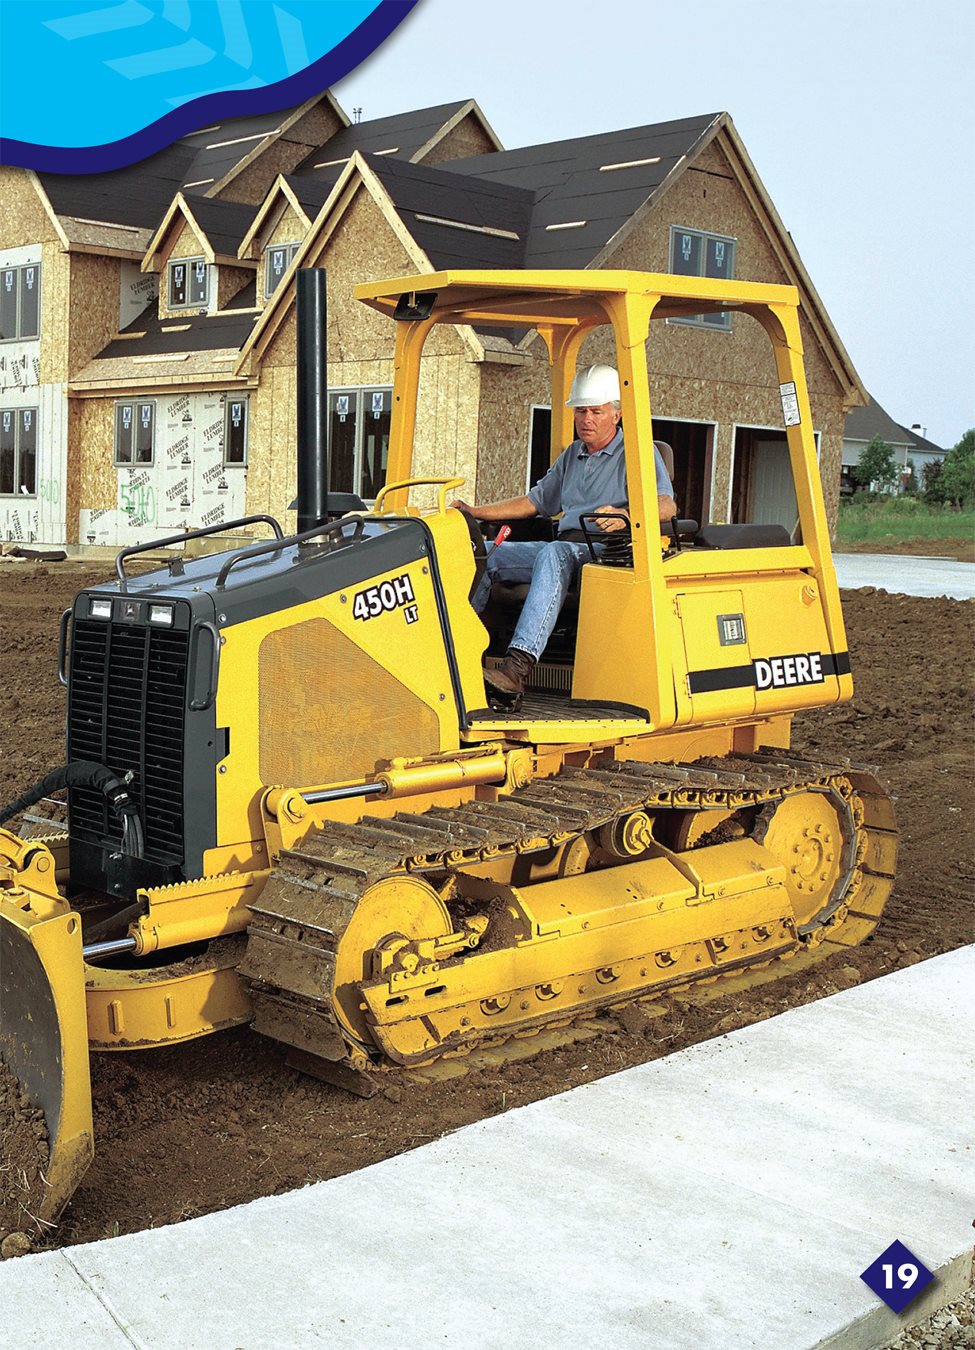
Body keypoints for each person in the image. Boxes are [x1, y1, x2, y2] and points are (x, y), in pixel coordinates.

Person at [451, 364, 678, 704]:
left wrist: (626, 516)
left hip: (608, 551)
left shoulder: (637, 453)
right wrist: (474, 512)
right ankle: (455, 654)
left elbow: (667, 506)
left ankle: (515, 669)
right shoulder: (573, 455)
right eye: (581, 411)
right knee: (483, 552)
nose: (587, 419)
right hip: (565, 547)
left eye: (596, 412)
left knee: (554, 553)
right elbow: (535, 501)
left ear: (615, 415)